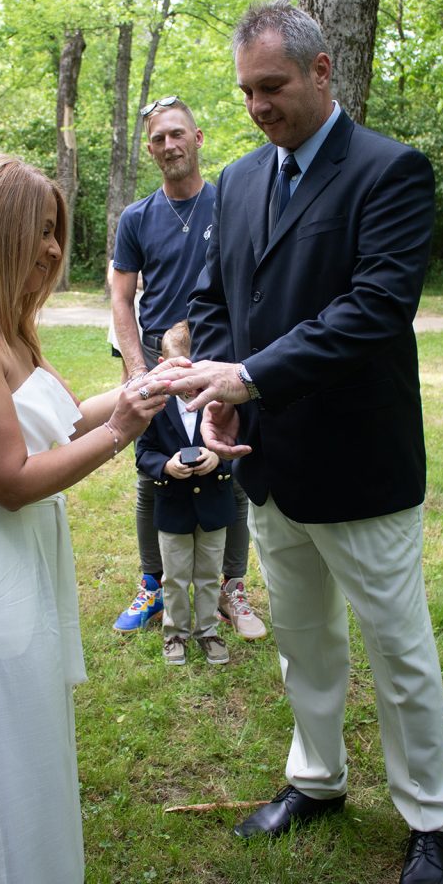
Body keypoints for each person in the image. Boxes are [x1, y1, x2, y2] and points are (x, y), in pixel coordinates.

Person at [159, 0, 443, 884]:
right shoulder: (241, 180)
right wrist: (219, 383)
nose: (258, 106)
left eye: (274, 86)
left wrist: (247, 379)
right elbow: (216, 300)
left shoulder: (390, 171)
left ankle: (430, 818)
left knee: (396, 650)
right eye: (246, 91)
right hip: (267, 462)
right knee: (302, 639)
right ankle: (316, 780)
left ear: (322, 71)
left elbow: (371, 312)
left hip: (359, 464)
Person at [0, 154, 169, 884]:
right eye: (38, 231)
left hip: (19, 555)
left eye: (56, 231)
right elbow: (11, 480)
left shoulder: (6, 330)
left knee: (29, 747)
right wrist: (122, 435)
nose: (54, 249)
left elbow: (57, 424)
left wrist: (134, 397)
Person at [110, 95, 266, 640]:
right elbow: (121, 297)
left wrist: (243, 363)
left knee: (231, 464)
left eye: (178, 134)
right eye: (158, 139)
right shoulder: (136, 218)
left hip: (218, 353)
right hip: (156, 361)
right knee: (154, 473)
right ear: (150, 150)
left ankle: (232, 586)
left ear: (197, 139)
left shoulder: (232, 204)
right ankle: (154, 584)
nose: (169, 145)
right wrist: (136, 371)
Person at [136, 321, 236, 666]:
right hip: (174, 508)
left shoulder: (225, 402)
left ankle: (208, 630)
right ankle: (175, 632)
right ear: (163, 362)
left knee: (209, 574)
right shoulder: (154, 407)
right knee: (175, 576)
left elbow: (238, 447)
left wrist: (218, 458)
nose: (190, 384)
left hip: (213, 508)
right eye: (181, 371)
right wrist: (166, 466)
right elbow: (143, 453)